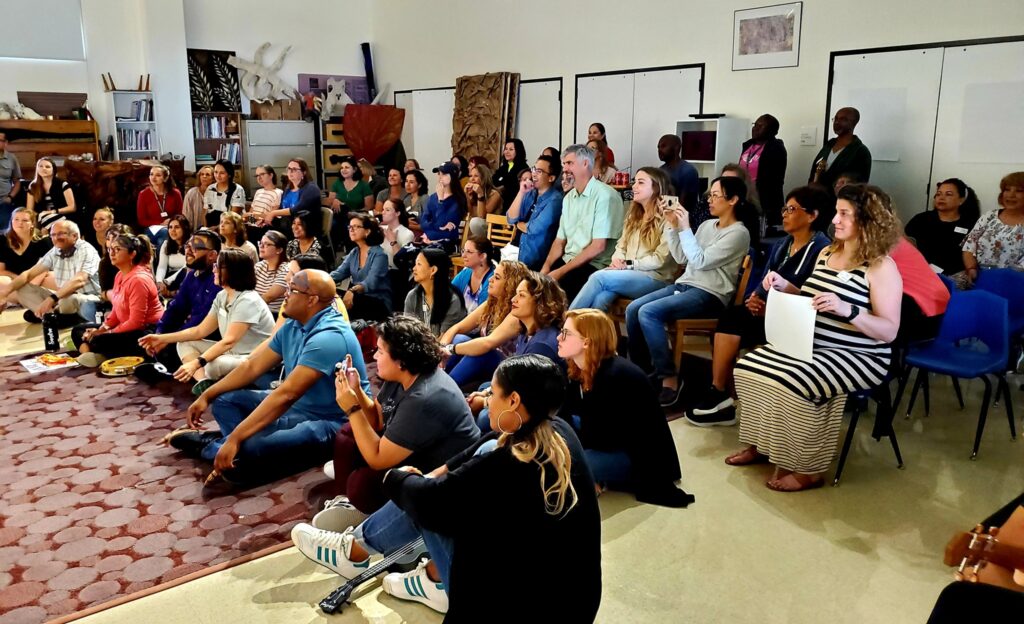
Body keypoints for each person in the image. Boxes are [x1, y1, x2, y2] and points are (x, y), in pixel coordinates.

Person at [290, 354, 601, 621]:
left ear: (514, 400)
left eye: (492, 393)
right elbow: (486, 444)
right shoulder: (558, 431)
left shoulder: (509, 462)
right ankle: (409, 569)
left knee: (426, 504)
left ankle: (359, 552)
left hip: (521, 610)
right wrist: (436, 475)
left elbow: (426, 500)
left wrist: (395, 478)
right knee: (447, 482)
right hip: (574, 602)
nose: (487, 400)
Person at [728, 183, 902, 492]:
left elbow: (889, 330)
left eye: (845, 214)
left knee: (794, 381)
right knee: (748, 368)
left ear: (869, 219)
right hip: (813, 343)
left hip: (861, 355)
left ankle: (809, 469)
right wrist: (786, 286)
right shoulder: (826, 253)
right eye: (837, 212)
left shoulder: (881, 267)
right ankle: (762, 445)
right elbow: (810, 298)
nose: (835, 220)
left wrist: (848, 310)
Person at [173, 269, 369, 485]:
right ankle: (236, 451)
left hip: (330, 421)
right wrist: (207, 395)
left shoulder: (329, 337)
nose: (285, 294)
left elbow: (287, 395)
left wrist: (237, 437)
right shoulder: (294, 323)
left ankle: (218, 446)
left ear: (311, 300)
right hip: (296, 409)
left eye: (292, 290)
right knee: (224, 401)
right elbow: (252, 366)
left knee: (249, 444)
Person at [687, 185, 832, 424]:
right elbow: (764, 280)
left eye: (791, 209)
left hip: (798, 322)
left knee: (734, 322)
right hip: (768, 311)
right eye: (784, 208)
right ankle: (719, 391)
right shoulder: (783, 244)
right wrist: (754, 298)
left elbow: (813, 295)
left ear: (812, 215)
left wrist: (772, 306)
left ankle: (724, 394)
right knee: (731, 317)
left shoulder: (822, 249)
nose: (784, 213)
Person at [323, 316, 480, 517]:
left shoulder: (425, 398)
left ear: (401, 359)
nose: (375, 357)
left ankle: (359, 507)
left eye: (380, 351)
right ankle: (344, 500)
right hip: (415, 450)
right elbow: (378, 420)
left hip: (441, 478)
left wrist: (353, 409)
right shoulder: (402, 374)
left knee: (362, 484)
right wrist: (357, 391)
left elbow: (378, 459)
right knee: (348, 435)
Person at [626, 176, 756, 408]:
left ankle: (670, 379)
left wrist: (685, 227)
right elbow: (682, 257)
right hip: (686, 284)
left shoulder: (738, 233)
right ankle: (642, 370)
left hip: (710, 293)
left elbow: (701, 260)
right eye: (710, 194)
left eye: (716, 195)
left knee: (648, 312)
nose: (710, 200)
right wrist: (672, 227)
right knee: (633, 308)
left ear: (733, 200)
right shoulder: (707, 225)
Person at [557, 309, 692, 507]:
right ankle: (590, 477)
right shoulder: (579, 368)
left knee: (563, 462)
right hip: (609, 441)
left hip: (638, 457)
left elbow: (606, 437)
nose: (559, 337)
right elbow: (565, 413)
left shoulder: (615, 375)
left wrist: (567, 447)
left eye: (566, 333)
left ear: (586, 342)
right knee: (558, 441)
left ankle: (592, 477)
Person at [140, 248, 275, 395]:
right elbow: (199, 331)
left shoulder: (248, 300)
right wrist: (160, 338)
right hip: (234, 352)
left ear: (233, 271)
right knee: (184, 343)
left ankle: (209, 384)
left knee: (213, 365)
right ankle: (204, 383)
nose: (214, 270)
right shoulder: (222, 295)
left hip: (254, 357)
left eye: (218, 266)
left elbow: (229, 341)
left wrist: (196, 363)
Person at [570, 167, 679, 311]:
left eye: (641, 183)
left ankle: (566, 323)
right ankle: (589, 332)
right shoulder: (633, 215)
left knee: (598, 278)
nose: (633, 186)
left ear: (656, 188)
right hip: (627, 273)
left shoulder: (668, 218)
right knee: (601, 298)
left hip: (657, 279)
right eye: (635, 182)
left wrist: (627, 264)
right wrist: (618, 262)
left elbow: (659, 260)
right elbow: (620, 246)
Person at [541, 144, 624, 302]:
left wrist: (561, 271)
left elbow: (598, 247)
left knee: (554, 294)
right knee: (532, 284)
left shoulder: (605, 195)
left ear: (586, 163)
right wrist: (546, 266)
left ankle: (563, 326)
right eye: (564, 164)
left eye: (570, 163)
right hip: (569, 260)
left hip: (594, 265)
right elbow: (560, 241)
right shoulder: (568, 198)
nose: (565, 169)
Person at [71, 233, 163, 366]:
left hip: (145, 331)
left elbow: (137, 322)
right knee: (78, 330)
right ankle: (93, 355)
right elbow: (116, 310)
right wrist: (103, 328)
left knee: (100, 340)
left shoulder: (139, 280)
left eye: (117, 249)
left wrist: (108, 332)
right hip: (125, 327)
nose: (112, 253)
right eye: (110, 249)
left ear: (132, 254)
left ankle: (98, 354)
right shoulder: (120, 275)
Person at [440, 260, 532, 388]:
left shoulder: (516, 314)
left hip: (507, 369)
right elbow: (457, 327)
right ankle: (436, 376)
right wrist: (441, 349)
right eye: (493, 275)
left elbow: (488, 343)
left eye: (497, 277)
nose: (490, 280)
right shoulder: (492, 303)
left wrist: (449, 350)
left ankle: (445, 387)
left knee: (484, 352)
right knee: (460, 338)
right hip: (486, 361)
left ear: (510, 285)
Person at [143, 228, 222, 370]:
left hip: (211, 337)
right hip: (191, 333)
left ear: (212, 255)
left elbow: (202, 321)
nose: (188, 251)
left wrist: (168, 339)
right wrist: (160, 333)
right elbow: (176, 309)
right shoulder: (191, 276)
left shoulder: (219, 279)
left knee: (167, 350)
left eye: (196, 247)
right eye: (187, 246)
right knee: (150, 339)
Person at [0, 219, 100, 323]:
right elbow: (28, 274)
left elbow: (80, 280)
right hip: (61, 297)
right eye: (53, 235)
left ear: (74, 236)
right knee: (21, 288)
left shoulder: (86, 250)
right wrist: (3, 294)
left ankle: (54, 317)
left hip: (88, 298)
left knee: (68, 300)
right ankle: (51, 316)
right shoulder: (56, 250)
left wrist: (51, 299)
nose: (56, 238)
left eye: (61, 234)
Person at [957, 172, 1024, 288]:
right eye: (1007, 190)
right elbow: (969, 245)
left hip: (1011, 284)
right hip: (976, 276)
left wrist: (995, 279)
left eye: (1019, 191)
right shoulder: (989, 216)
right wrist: (971, 269)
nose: (1011, 195)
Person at [905, 178, 980, 276]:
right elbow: (906, 244)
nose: (941, 198)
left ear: (961, 200)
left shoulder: (971, 224)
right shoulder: (921, 219)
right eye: (938, 194)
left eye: (948, 194)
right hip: (920, 272)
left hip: (955, 277)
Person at [330, 213, 392, 321]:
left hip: (377, 302)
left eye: (356, 227)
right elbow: (339, 273)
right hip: (357, 297)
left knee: (350, 301)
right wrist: (319, 280)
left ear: (367, 231)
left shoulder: (380, 255)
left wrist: (352, 290)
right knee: (330, 296)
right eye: (350, 227)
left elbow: (371, 283)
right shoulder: (354, 252)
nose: (351, 230)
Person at [506, 154, 564, 270]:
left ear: (551, 178)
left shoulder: (556, 200)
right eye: (533, 169)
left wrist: (519, 224)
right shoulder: (530, 192)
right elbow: (510, 218)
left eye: (539, 171)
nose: (534, 174)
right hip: (515, 249)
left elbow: (533, 228)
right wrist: (521, 192)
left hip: (534, 259)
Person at [739, 114, 788, 227]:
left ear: (772, 131)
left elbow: (774, 180)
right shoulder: (748, 145)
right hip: (744, 194)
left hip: (764, 198)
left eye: (760, 126)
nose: (755, 128)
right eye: (755, 125)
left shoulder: (776, 148)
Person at [404, 248, 465, 336]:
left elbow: (444, 338)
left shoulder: (452, 300)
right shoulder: (412, 296)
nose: (414, 269)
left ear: (433, 270)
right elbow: (408, 331)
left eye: (419, 264)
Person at [810, 107, 872, 190]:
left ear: (854, 123)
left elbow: (859, 187)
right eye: (835, 118)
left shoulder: (861, 152)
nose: (836, 122)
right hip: (817, 199)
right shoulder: (828, 145)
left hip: (839, 201)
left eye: (843, 119)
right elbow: (814, 172)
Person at [418, 162, 466, 253]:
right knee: (403, 254)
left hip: (447, 242)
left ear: (452, 176)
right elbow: (423, 222)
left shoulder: (457, 200)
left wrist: (441, 201)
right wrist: (434, 227)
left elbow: (441, 223)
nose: (440, 176)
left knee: (421, 255)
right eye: (439, 173)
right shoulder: (433, 197)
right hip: (429, 238)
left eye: (444, 174)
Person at [262, 158, 323, 230]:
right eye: (289, 169)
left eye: (294, 169)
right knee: (258, 227)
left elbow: (297, 209)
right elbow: (282, 209)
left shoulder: (311, 188)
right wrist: (266, 220)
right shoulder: (288, 189)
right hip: (287, 225)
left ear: (304, 172)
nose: (290, 172)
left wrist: (273, 213)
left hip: (304, 228)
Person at [329, 156, 374, 251]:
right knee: (333, 225)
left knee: (349, 225)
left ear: (354, 169)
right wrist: (334, 201)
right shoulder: (337, 183)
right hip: (339, 216)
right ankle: (333, 254)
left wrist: (354, 213)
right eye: (342, 168)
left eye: (347, 167)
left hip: (356, 215)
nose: (343, 170)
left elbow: (369, 207)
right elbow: (330, 202)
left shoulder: (363, 185)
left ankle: (351, 252)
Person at [0, 207, 52, 285]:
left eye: (25, 220)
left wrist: (32, 286)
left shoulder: (43, 242)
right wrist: (20, 280)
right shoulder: (2, 240)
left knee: (51, 277)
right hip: (12, 279)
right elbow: (1, 270)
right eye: (16, 219)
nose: (20, 223)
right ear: (11, 221)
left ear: (32, 224)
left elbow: (43, 270)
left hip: (36, 280)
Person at [136, 164, 183, 250]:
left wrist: (171, 221)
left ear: (165, 178)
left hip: (172, 226)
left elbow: (180, 214)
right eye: (151, 174)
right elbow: (142, 220)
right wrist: (160, 223)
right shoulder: (143, 194)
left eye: (158, 175)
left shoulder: (175, 193)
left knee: (162, 240)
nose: (153, 178)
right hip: (152, 228)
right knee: (165, 235)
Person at [26, 157, 76, 228]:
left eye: (47, 167)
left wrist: (53, 211)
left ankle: (46, 233)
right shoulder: (33, 186)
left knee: (46, 220)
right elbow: (29, 210)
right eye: (40, 166)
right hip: (42, 217)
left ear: (53, 170)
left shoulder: (62, 184)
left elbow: (72, 207)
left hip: (62, 215)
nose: (44, 169)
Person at [451, 236, 495, 314]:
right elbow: (449, 294)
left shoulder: (492, 279)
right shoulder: (466, 273)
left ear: (482, 256)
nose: (463, 255)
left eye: (469, 252)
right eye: (463, 251)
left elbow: (483, 314)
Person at [657, 134, 700, 211]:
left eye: (663, 146)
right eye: (658, 147)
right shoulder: (660, 170)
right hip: (664, 214)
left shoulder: (688, 171)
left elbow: (683, 205)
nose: (659, 150)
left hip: (683, 217)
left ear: (677, 148)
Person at [245, 164, 283, 243]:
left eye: (262, 174)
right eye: (257, 175)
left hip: (265, 228)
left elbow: (271, 216)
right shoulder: (258, 192)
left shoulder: (278, 193)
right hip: (252, 225)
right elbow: (250, 213)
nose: (259, 178)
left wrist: (253, 216)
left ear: (271, 175)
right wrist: (252, 218)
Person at [254, 230, 289, 316]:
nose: (261, 246)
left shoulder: (287, 269)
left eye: (267, 244)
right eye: (260, 243)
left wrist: (245, 307)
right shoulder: (258, 266)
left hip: (273, 314)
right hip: (255, 311)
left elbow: (268, 297)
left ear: (279, 250)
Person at [203, 159, 246, 227]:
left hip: (230, 226)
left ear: (229, 175)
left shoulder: (238, 190)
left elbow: (232, 217)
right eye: (216, 172)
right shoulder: (210, 188)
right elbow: (205, 213)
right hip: (211, 226)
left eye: (222, 173)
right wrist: (206, 230)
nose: (218, 175)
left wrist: (215, 229)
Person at [155, 215, 192, 293]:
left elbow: (186, 267)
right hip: (169, 277)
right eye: (170, 227)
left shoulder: (191, 244)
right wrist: (159, 282)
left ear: (184, 229)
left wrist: (166, 282)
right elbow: (162, 266)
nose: (173, 230)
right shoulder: (166, 244)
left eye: (177, 227)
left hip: (185, 277)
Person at [466, 163, 503, 236]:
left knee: (475, 223)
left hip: (490, 229)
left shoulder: (495, 194)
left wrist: (480, 195)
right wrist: (468, 197)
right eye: (470, 176)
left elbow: (481, 217)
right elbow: (470, 214)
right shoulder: (472, 192)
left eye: (476, 176)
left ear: (484, 177)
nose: (472, 179)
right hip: (474, 228)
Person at [492, 138, 529, 211]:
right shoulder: (503, 168)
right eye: (506, 149)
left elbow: (511, 186)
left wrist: (503, 183)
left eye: (511, 149)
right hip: (500, 204)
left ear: (518, 151)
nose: (507, 152)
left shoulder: (523, 168)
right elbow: (494, 181)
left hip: (514, 205)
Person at [379, 198, 414, 269]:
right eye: (383, 209)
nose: (383, 212)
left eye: (387, 210)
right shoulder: (380, 229)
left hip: (394, 273)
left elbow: (403, 262)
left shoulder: (407, 234)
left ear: (397, 213)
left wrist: (393, 242)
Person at [0, 131, 22, 229]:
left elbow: (17, 181)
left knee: (5, 230)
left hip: (4, 201)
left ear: (6, 142)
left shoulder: (11, 158)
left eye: (0, 140)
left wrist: (10, 197)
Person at [182, 165, 213, 231]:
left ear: (213, 178)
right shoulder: (191, 193)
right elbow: (186, 215)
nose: (204, 176)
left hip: (212, 230)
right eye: (202, 174)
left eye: (207, 175)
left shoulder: (217, 193)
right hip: (194, 230)